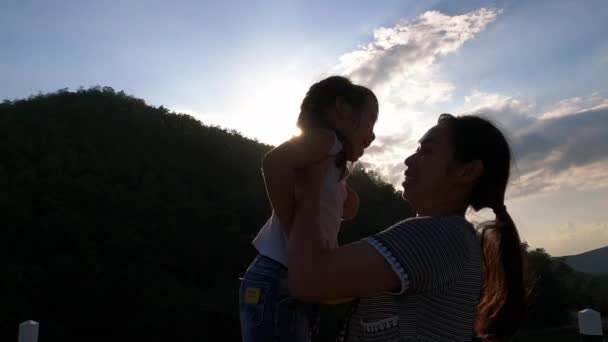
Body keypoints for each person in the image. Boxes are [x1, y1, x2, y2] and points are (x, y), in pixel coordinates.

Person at [288, 114, 527, 341]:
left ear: (467, 171)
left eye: (427, 150)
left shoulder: (436, 235)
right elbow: (331, 291)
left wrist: (313, 182)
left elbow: (307, 282)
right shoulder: (455, 238)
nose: (409, 159)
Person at [239, 76, 378, 342]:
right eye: (371, 119)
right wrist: (293, 229)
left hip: (290, 278)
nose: (372, 133)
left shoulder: (331, 162)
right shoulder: (326, 140)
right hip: (279, 274)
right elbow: (273, 162)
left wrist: (345, 208)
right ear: (342, 109)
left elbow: (317, 211)